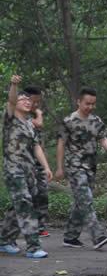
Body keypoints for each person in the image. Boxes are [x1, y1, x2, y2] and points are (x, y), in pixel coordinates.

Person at [56, 86, 107, 250]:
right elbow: (61, 144)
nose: (90, 107)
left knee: (81, 201)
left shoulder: (96, 120)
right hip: (75, 166)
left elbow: (103, 139)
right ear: (78, 102)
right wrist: (59, 167)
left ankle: (70, 237)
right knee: (86, 198)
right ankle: (98, 236)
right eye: (87, 103)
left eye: (93, 104)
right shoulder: (68, 121)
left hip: (91, 166)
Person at [0, 76, 53, 258]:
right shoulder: (9, 119)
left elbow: (37, 147)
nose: (27, 102)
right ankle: (33, 246)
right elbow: (11, 99)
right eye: (23, 100)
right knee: (24, 202)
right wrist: (14, 85)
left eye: (29, 100)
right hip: (14, 168)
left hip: (29, 169)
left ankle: (4, 239)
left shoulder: (29, 124)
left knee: (18, 205)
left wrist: (46, 167)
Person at [23, 85, 49, 237]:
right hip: (26, 163)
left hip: (38, 163)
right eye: (34, 101)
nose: (37, 105)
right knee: (26, 196)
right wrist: (39, 113)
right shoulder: (23, 116)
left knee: (42, 194)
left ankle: (40, 225)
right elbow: (39, 124)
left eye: (39, 102)